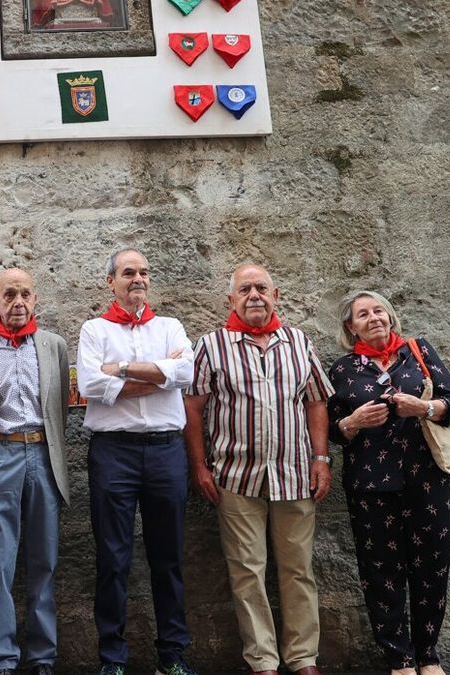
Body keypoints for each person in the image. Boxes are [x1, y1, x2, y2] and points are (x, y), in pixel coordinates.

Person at [184, 264, 333, 675]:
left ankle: (303, 658)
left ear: (276, 295)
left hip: (295, 475)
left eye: (261, 288)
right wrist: (198, 465)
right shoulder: (212, 346)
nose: (254, 295)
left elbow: (317, 401)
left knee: (298, 570)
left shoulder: (298, 342)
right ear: (230, 299)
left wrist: (321, 459)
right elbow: (192, 409)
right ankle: (262, 661)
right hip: (234, 477)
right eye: (245, 289)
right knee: (247, 572)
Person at [326, 291, 450, 675]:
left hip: (427, 484)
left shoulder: (418, 352)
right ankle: (399, 659)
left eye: (379, 310)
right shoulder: (342, 370)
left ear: (391, 316)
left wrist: (424, 408)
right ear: (350, 327)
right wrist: (353, 423)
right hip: (371, 487)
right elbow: (330, 430)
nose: (374, 318)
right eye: (363, 314)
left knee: (432, 567)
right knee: (380, 572)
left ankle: (428, 656)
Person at [75, 248, 196, 675]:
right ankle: (112, 659)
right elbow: (89, 383)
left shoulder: (170, 326)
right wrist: (158, 378)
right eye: (128, 273)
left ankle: (172, 657)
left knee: (169, 556)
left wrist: (123, 369)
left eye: (144, 272)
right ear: (111, 282)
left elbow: (187, 375)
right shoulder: (93, 330)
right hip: (114, 453)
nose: (138, 279)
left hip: (166, 450)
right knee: (112, 557)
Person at [0, 269, 70, 675]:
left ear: (35, 299)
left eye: (24, 294)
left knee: (45, 562)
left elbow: (60, 409)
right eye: (9, 295)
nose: (17, 302)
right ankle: (2, 660)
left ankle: (42, 659)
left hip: (42, 456)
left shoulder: (54, 346)